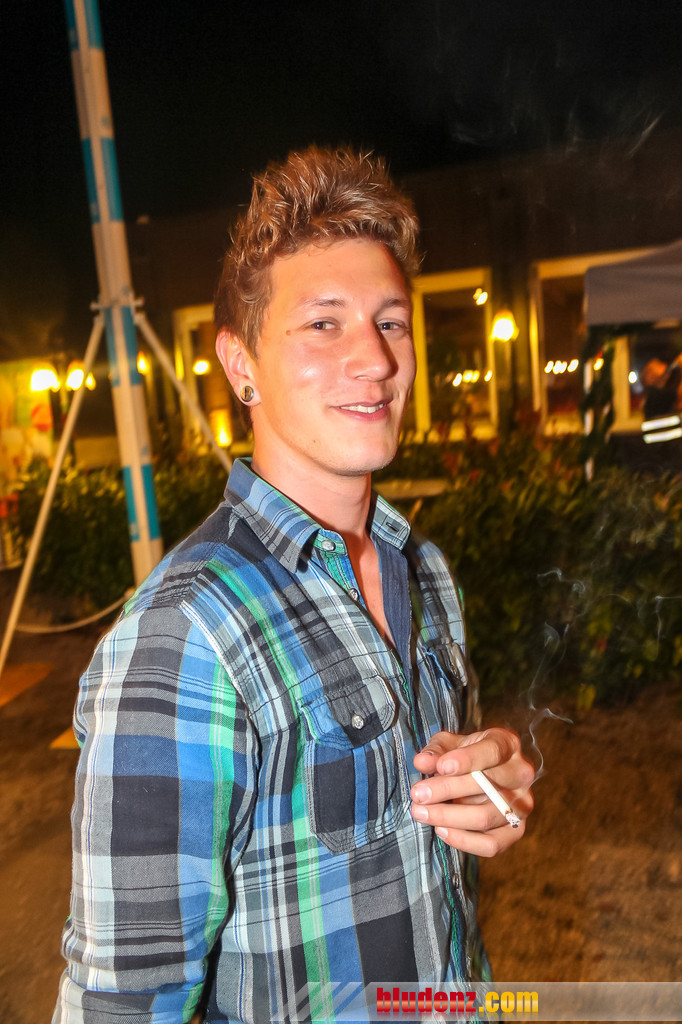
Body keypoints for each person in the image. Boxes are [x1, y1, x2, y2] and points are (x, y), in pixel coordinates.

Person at [53, 145, 534, 1023]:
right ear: (240, 365)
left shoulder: (423, 570)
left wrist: (490, 787)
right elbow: (122, 1000)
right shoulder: (186, 632)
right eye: (323, 324)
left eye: (391, 322)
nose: (376, 359)